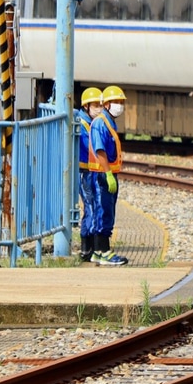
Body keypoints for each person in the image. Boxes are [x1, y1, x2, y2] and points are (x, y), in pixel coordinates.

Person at [88, 85, 129, 265]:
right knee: (103, 212)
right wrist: (108, 173)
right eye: (116, 102)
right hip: (102, 175)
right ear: (106, 104)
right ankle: (104, 251)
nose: (119, 105)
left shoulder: (109, 121)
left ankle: (98, 252)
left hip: (107, 174)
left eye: (121, 102)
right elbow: (100, 150)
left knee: (106, 212)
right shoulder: (100, 123)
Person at [76, 87, 104, 263]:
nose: (99, 109)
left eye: (101, 105)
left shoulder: (91, 122)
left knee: (93, 206)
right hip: (86, 172)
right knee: (91, 207)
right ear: (86, 107)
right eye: (95, 105)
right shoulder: (82, 124)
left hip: (91, 171)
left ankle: (90, 247)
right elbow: (90, 147)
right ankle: (88, 248)